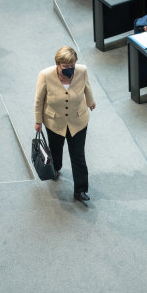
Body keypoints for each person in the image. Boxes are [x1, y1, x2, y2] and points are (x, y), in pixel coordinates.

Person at [34, 46, 95, 202]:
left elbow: (87, 87)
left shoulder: (82, 71)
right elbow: (39, 100)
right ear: (58, 64)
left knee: (78, 156)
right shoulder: (45, 75)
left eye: (72, 66)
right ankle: (56, 168)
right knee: (55, 151)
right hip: (54, 122)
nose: (70, 69)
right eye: (66, 67)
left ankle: (80, 190)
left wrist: (91, 102)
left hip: (78, 121)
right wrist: (38, 121)